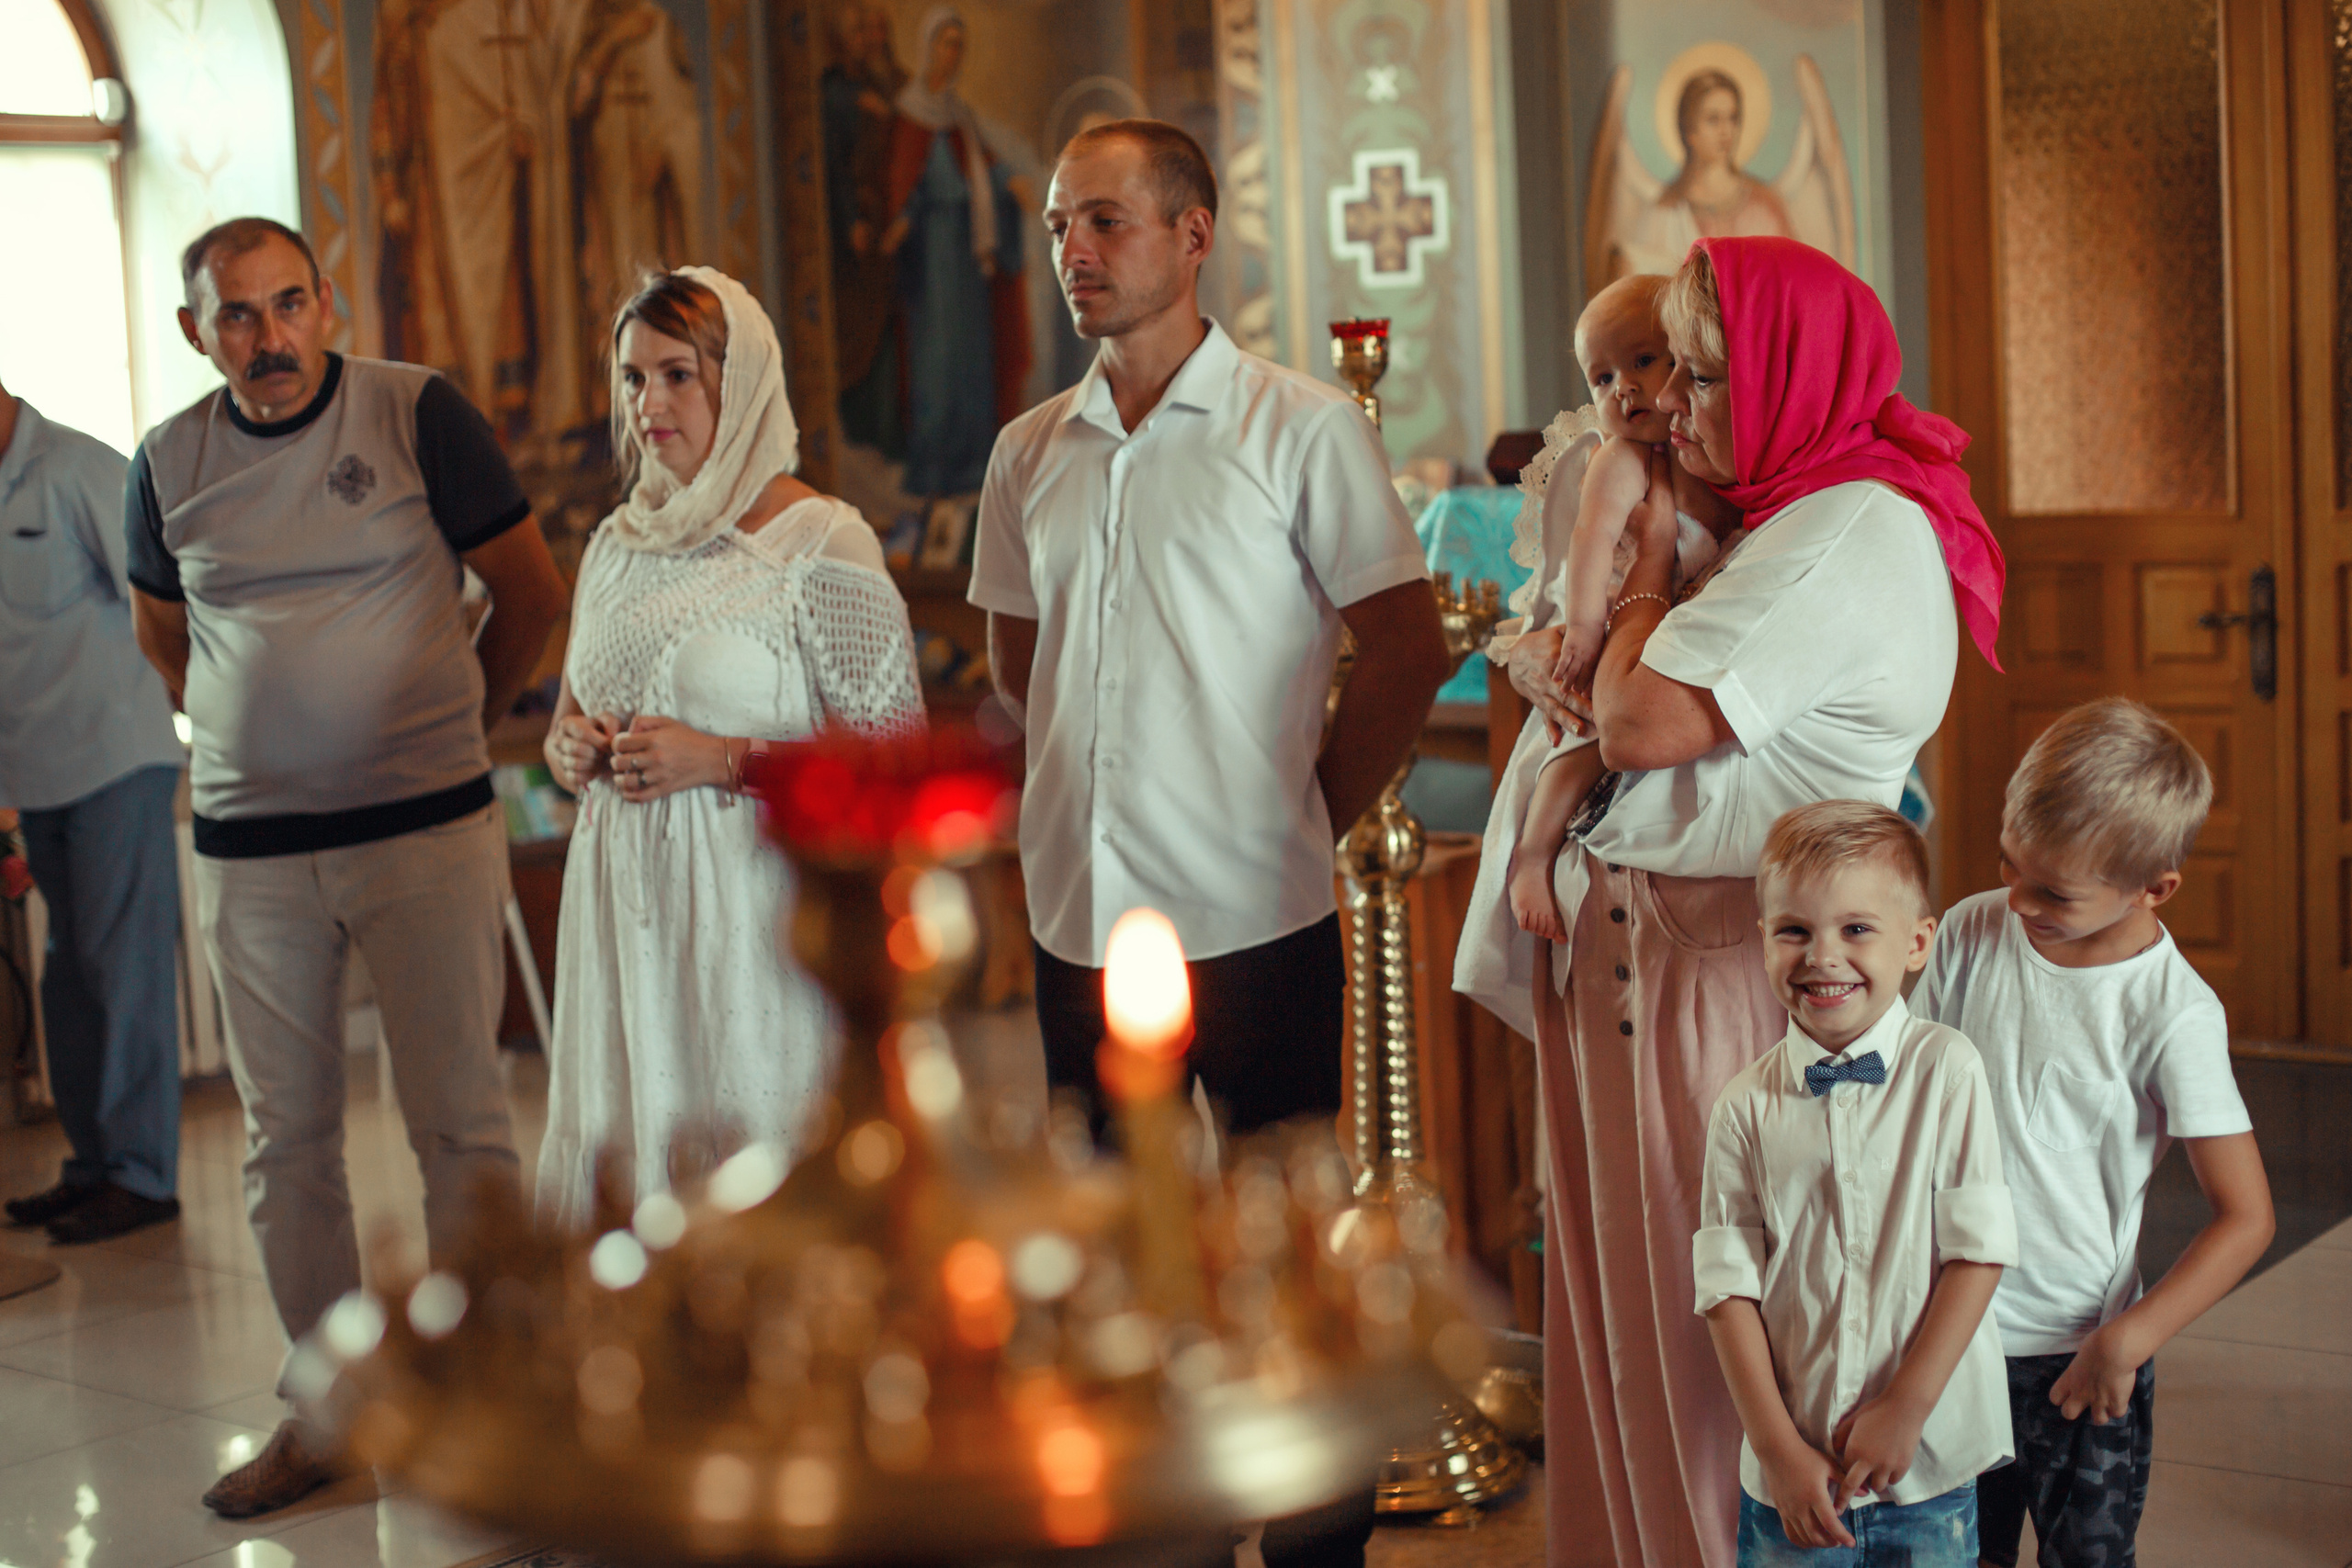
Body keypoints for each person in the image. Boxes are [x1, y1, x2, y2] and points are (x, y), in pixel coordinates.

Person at [1487, 235, 2007, 1567]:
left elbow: (1640, 715)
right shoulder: (1781, 509)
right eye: (1670, 373)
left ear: (1791, 372)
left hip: (1723, 966)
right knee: (1621, 1327)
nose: (1674, 404)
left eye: (1705, 375)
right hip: (1636, 948)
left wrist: (1650, 560)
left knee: (1701, 1329)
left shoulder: (1848, 526)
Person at [971, 118, 1447, 1568]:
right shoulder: (1029, 448)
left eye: (1107, 222)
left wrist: (1304, 809)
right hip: (1076, 919)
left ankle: (1314, 1545)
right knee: (1111, 1250)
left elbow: (1409, 648)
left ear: (1194, 235)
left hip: (1256, 914)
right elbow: (1015, 662)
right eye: (1061, 226)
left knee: (1289, 1265)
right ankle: (1155, 1526)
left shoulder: (1300, 425)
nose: (1076, 254)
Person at [126, 217, 569, 1518]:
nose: (265, 338)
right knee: (288, 1145)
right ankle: (328, 1417)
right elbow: (165, 636)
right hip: (250, 854)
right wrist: (264, 740)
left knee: (461, 1122)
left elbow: (531, 591)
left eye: (285, 305)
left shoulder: (418, 412)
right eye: (235, 317)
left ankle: (489, 1401)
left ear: (329, 303)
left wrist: (448, 727)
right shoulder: (168, 461)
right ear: (195, 332)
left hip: (424, 829)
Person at [536, 266, 925, 1227]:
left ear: (738, 381)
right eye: (631, 379)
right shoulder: (615, 546)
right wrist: (569, 749)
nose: (648, 404)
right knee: (633, 1180)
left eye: (677, 375)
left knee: (759, 1185)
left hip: (755, 920)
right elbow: (566, 717)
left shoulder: (820, 544)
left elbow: (895, 764)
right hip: (625, 917)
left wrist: (718, 760)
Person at [1914, 698, 2273, 1568]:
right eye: (2010, 865)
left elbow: (2247, 1217)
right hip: (1946, 1337)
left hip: (2078, 1359)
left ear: (2155, 888)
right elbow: (1909, 1092)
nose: (2018, 898)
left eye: (2054, 890)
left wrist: (2130, 1338)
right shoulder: (1970, 930)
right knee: (1955, 1552)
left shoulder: (2172, 1012)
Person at [1698, 801, 2015, 1565]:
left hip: (1927, 1462)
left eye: (1856, 929)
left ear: (1917, 943)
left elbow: (1978, 1253)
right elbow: (1727, 1289)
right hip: (1795, 1477)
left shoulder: (1949, 1072)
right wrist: (1776, 1448)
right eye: (1795, 930)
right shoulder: (1743, 1103)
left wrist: (1906, 1405)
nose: (1823, 956)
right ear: (1765, 938)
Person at [1487, 275, 1737, 947]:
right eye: (1601, 378)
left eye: (1643, 362)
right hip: (1605, 628)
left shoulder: (1719, 468)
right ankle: (1533, 858)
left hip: (1667, 650)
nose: (1622, 389)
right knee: (1580, 747)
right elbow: (1589, 540)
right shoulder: (1623, 459)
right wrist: (1587, 627)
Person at [0, 380, 187, 1245]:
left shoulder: (76, 468)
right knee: (68, 978)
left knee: (123, 971)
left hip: (117, 761)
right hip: (34, 778)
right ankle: (93, 1167)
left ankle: (143, 1177)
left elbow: (165, 602)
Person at [887, 6, 1033, 498]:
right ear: (928, 48)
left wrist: (1010, 184)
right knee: (938, 359)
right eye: (946, 43)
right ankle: (932, 466)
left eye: (959, 46)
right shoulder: (908, 112)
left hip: (969, 256)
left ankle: (974, 462)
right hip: (932, 256)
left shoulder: (958, 114)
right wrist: (903, 219)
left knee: (973, 357)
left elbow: (983, 170)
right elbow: (905, 182)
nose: (952, 54)